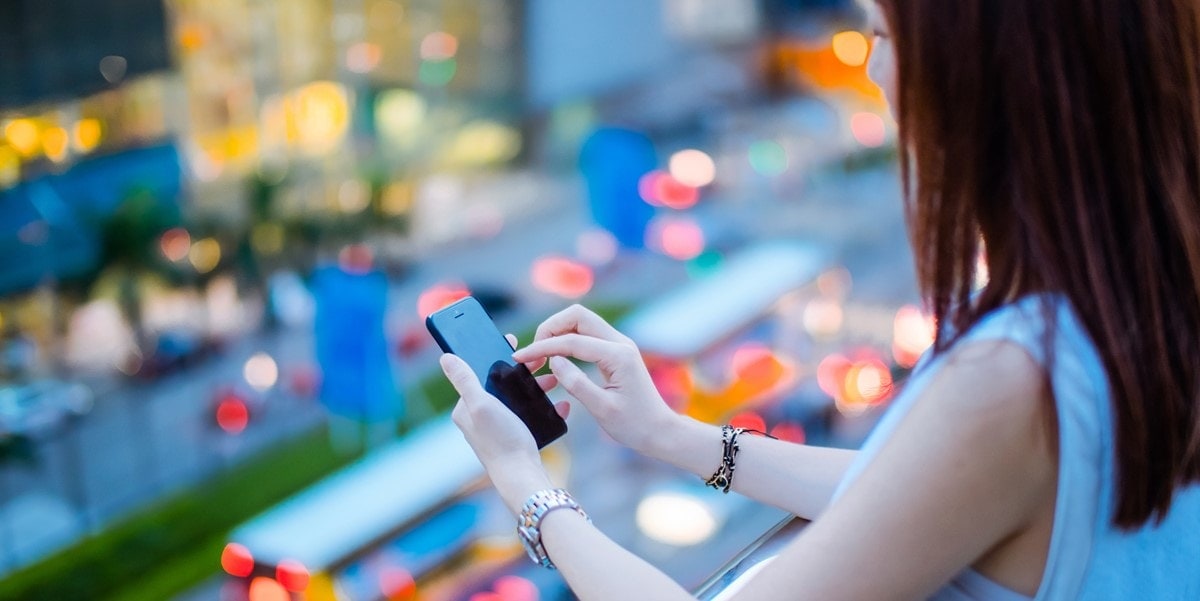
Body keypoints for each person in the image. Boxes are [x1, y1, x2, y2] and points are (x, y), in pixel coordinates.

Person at [439, 1, 1200, 599]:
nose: (871, 70)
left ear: (979, 72)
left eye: (880, 34)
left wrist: (527, 486)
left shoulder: (1014, 376)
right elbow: (909, 496)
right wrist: (672, 435)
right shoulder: (1146, 293)